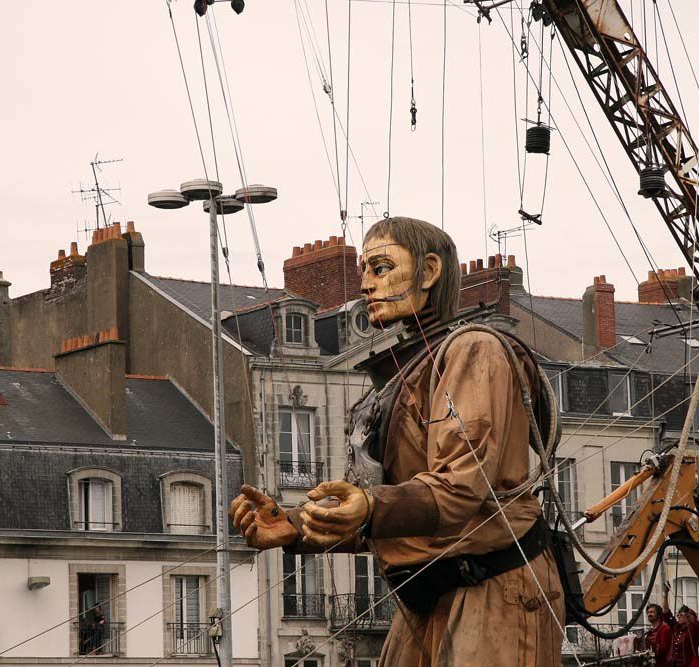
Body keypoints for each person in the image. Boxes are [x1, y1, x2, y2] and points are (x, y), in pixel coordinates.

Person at [230, 217, 563, 666]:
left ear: (428, 272)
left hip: (491, 590)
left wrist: (369, 507)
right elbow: (384, 509)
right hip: (428, 595)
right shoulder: (403, 377)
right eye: (364, 270)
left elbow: (462, 486)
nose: (366, 284)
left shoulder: (474, 351)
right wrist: (294, 524)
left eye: (382, 267)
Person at [667, 599, 699, 667]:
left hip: (689, 664)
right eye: (678, 615)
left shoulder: (693, 629)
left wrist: (688, 614)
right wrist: (665, 595)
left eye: (681, 614)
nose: (678, 616)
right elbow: (666, 614)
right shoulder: (676, 629)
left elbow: (695, 623)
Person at [645, 584, 674, 667]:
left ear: (658, 614)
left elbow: (662, 649)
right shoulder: (650, 632)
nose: (649, 614)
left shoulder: (664, 629)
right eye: (648, 612)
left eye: (652, 612)